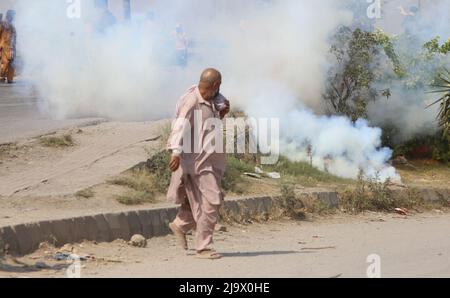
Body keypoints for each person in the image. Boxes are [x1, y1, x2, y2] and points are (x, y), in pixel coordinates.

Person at [166, 68, 230, 259]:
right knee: (212, 200)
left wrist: (223, 111)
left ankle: (181, 224)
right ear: (215, 84)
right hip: (196, 163)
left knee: (197, 200)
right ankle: (204, 247)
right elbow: (179, 125)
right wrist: (175, 152)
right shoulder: (192, 101)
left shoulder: (210, 99)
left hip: (208, 160)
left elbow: (219, 107)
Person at [0, 10, 16, 84]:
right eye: (12, 15)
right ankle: (1, 76)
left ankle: (10, 78)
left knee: (12, 63)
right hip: (5, 46)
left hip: (12, 47)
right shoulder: (3, 24)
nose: (13, 17)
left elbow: (14, 36)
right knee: (5, 62)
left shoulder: (12, 25)